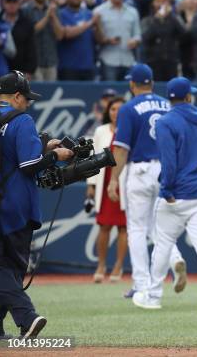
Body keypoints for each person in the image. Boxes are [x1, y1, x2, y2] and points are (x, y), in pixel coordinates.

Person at [132, 77, 197, 310]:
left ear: (170, 98)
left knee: (163, 243)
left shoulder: (166, 122)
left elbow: (169, 160)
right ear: (187, 97)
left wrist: (166, 190)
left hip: (178, 193)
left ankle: (153, 297)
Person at [0, 71, 73, 339]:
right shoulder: (22, 119)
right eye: (26, 98)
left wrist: (41, 145)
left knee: (4, 266)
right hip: (14, 206)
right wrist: (55, 154)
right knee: (10, 267)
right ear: (16, 96)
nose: (28, 103)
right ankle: (27, 316)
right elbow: (28, 164)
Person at [107, 63, 186, 299]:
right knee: (159, 227)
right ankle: (175, 258)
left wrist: (113, 180)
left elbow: (121, 150)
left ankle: (141, 284)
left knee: (137, 229)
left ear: (133, 84)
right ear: (151, 82)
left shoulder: (129, 107)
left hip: (139, 170)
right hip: (164, 169)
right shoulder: (168, 105)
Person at [86, 97, 128, 283]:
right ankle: (101, 265)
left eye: (120, 109)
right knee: (103, 226)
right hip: (104, 184)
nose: (116, 112)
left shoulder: (129, 129)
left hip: (125, 186)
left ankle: (118, 266)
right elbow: (93, 161)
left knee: (123, 227)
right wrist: (90, 187)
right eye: (113, 109)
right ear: (107, 112)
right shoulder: (100, 131)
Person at [94, 0, 141, 81]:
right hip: (108, 59)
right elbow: (95, 38)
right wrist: (107, 40)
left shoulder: (132, 12)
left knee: (129, 93)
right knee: (110, 94)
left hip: (128, 60)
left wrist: (135, 41)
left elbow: (138, 34)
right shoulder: (99, 12)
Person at [21, 0, 61, 81]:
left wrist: (54, 17)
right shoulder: (26, 10)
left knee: (51, 94)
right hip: (34, 63)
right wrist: (47, 16)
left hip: (51, 60)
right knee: (36, 94)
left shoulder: (53, 9)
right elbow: (31, 32)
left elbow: (59, 35)